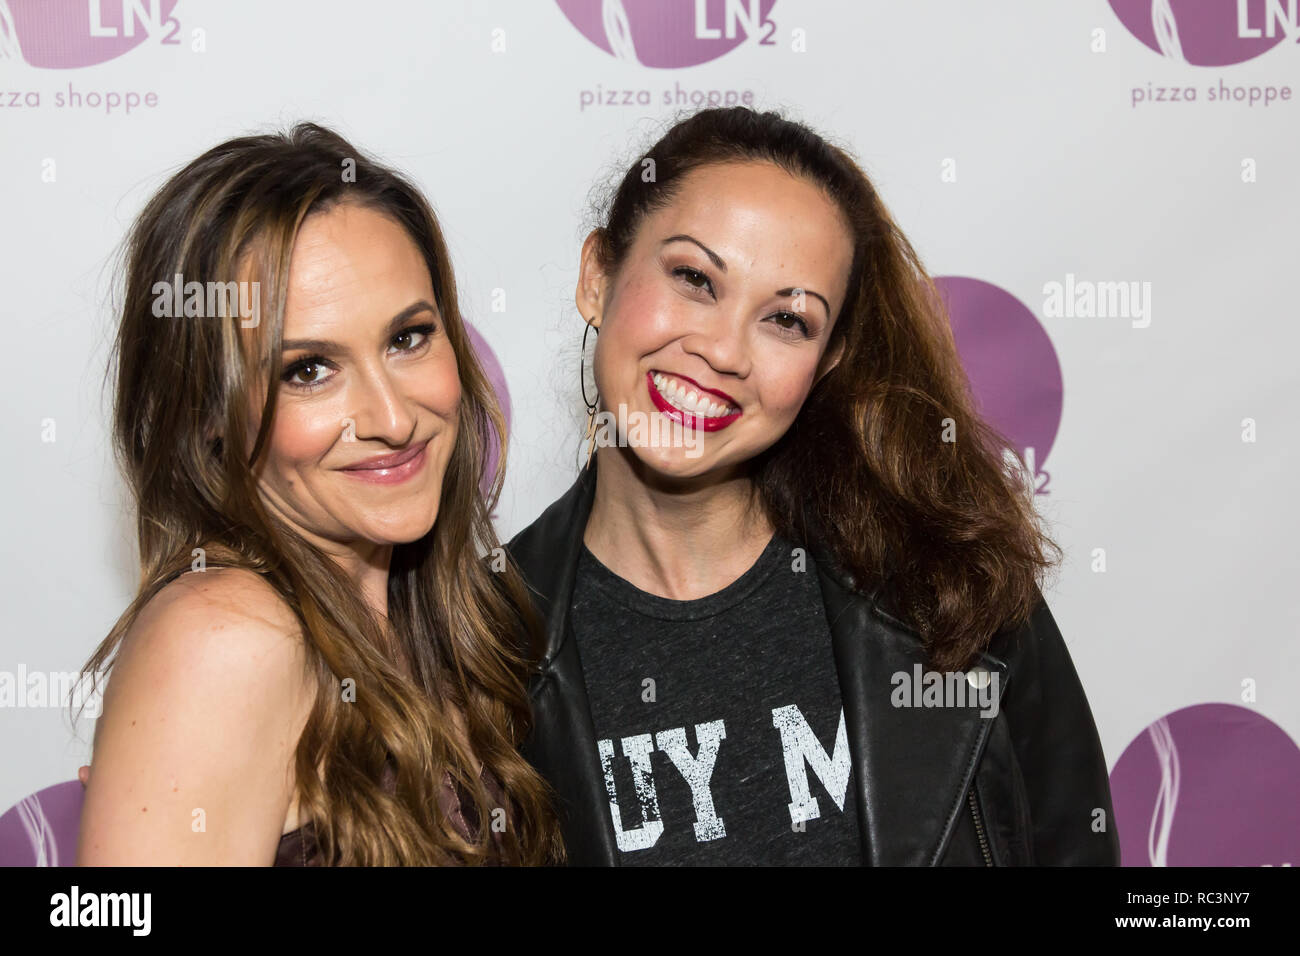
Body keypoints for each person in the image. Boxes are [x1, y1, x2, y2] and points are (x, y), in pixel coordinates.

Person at [507, 106, 1120, 865]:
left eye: (787, 321)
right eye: (695, 279)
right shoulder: (477, 647)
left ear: (825, 361)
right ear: (598, 276)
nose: (723, 351)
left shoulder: (948, 588)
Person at [75, 123, 562, 866]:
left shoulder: (435, 618)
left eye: (408, 338)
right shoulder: (225, 639)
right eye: (308, 370)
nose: (394, 419)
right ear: (208, 414)